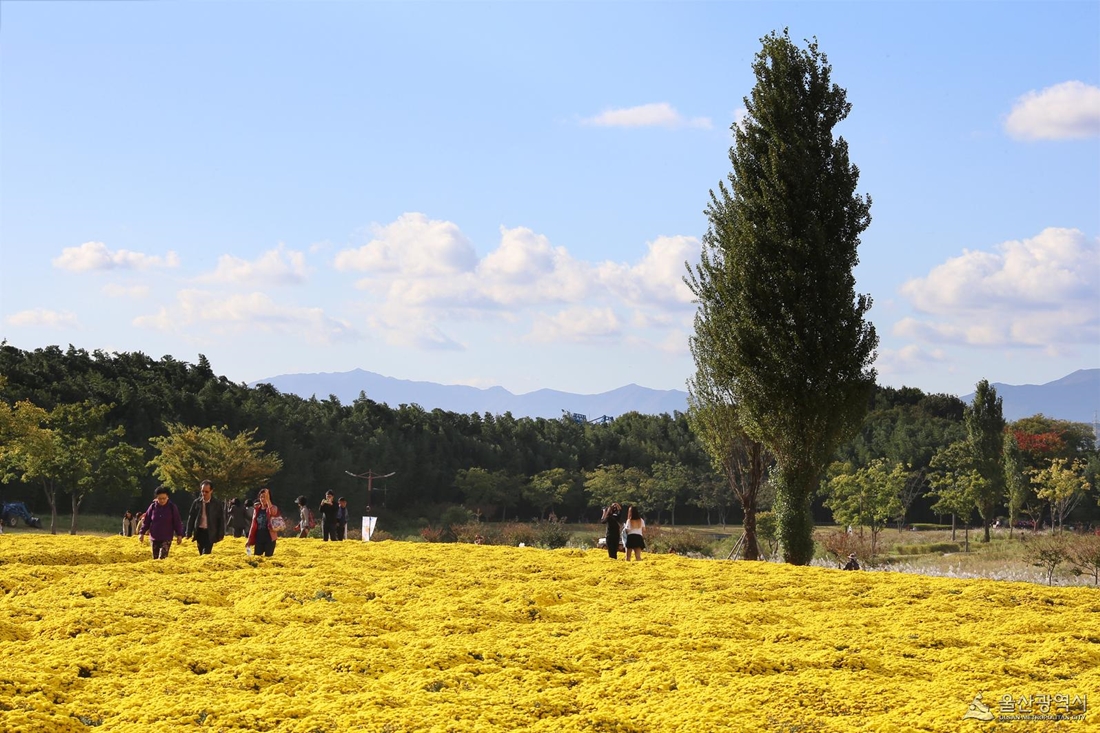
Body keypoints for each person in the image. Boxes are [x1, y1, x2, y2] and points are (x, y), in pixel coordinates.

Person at [138, 486, 185, 560]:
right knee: (155, 559)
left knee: (162, 558)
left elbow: (177, 522)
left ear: (167, 497)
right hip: (154, 537)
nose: (162, 500)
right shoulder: (153, 507)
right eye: (160, 498)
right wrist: (141, 533)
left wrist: (179, 534)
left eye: (164, 498)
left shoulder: (172, 507)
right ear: (156, 498)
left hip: (166, 537)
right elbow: (147, 521)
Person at [185, 479, 226, 555]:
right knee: (201, 552)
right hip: (199, 531)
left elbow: (221, 519)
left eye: (206, 491)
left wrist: (221, 534)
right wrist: (188, 532)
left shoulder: (216, 504)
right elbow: (191, 518)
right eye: (202, 491)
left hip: (210, 532)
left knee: (206, 553)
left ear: (211, 491)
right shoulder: (197, 502)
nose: (204, 493)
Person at [246, 487, 281, 557]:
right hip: (259, 537)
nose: (262, 499)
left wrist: (268, 501)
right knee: (257, 557)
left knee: (268, 558)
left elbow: (273, 512)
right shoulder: (256, 509)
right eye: (261, 497)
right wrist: (249, 540)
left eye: (265, 497)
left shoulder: (273, 507)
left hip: (270, 538)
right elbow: (253, 525)